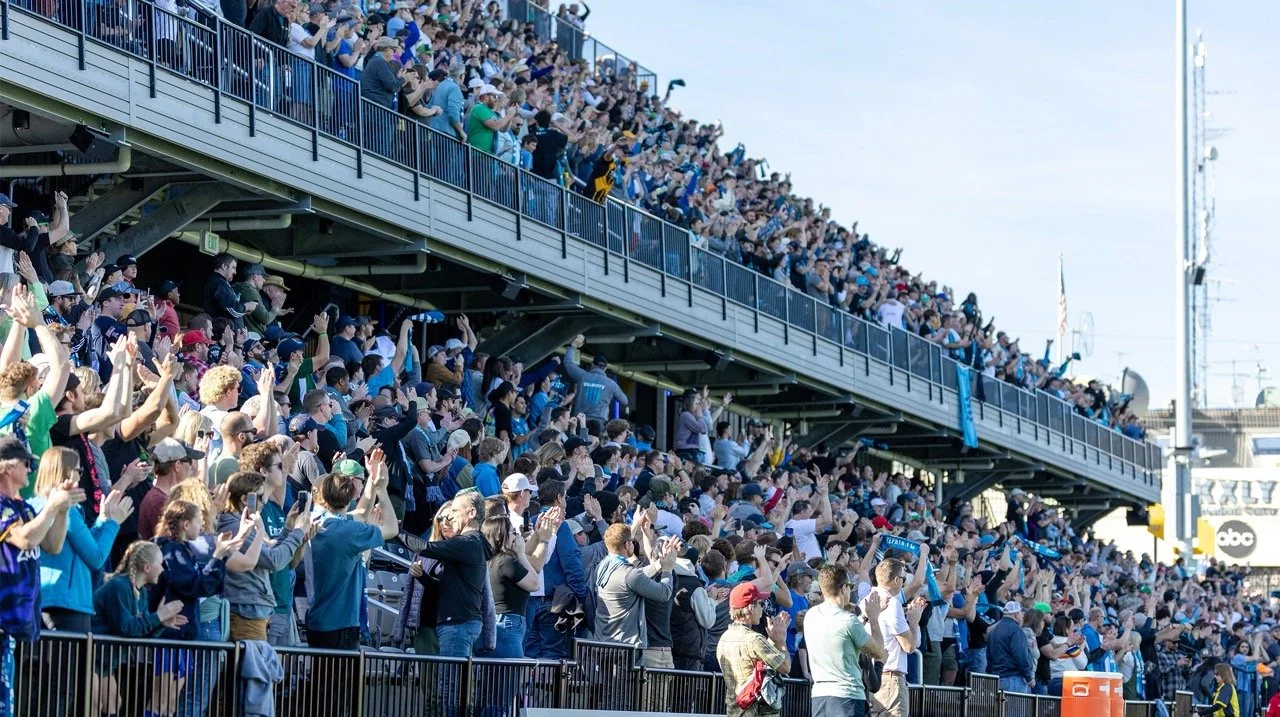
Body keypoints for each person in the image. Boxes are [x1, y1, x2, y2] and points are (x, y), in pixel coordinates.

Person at [0, 435, 83, 704]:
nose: (30, 469)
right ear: (7, 467)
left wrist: (62, 510)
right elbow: (25, 539)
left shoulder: (21, 506)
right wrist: (51, 506)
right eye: (26, 463)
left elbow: (53, 545)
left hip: (17, 621)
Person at [305, 449, 399, 649]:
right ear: (348, 496)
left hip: (318, 620)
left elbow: (362, 512)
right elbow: (392, 528)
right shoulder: (346, 531)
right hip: (341, 625)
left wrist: (373, 482)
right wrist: (382, 489)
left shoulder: (316, 520)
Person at [32, 447, 131, 632]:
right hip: (66, 605)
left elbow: (83, 548)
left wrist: (103, 519)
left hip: (50, 601)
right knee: (69, 662)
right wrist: (114, 523)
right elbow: (96, 557)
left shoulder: (37, 504)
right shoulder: (66, 509)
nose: (80, 476)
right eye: (78, 470)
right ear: (64, 472)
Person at [411, 490, 493, 657]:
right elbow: (446, 586)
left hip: (457, 624)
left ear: (472, 513)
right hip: (456, 623)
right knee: (452, 680)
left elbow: (425, 547)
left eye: (455, 511)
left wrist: (393, 532)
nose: (450, 517)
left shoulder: (467, 542)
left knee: (450, 682)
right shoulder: (472, 542)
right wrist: (423, 577)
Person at [806, 565, 887, 717]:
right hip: (848, 698)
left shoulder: (810, 616)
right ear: (843, 588)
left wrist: (863, 617)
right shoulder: (848, 620)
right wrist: (874, 618)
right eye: (850, 586)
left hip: (819, 697)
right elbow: (878, 652)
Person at [593, 521, 678, 650]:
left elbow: (638, 575)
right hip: (625, 650)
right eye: (632, 541)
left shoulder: (602, 565)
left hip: (603, 643)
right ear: (627, 545)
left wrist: (660, 564)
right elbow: (664, 593)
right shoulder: (629, 574)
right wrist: (668, 569)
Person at [716, 582, 791, 717]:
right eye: (761, 604)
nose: (762, 609)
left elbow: (754, 661)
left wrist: (772, 640)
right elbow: (785, 667)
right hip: (756, 711)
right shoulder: (754, 639)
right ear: (751, 607)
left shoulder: (724, 638)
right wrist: (781, 641)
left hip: (734, 711)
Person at [860, 557, 923, 717]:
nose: (903, 582)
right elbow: (909, 646)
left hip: (870, 677)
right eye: (903, 579)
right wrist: (914, 622)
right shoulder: (892, 603)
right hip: (889, 680)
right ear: (896, 580)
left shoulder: (865, 600)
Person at [987, 600, 1034, 694]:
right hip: (1013, 679)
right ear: (1016, 615)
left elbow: (989, 655)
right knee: (1014, 708)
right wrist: (1029, 677)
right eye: (1021, 613)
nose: (1022, 616)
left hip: (997, 679)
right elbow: (1021, 656)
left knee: (1001, 709)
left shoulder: (994, 630)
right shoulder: (1016, 630)